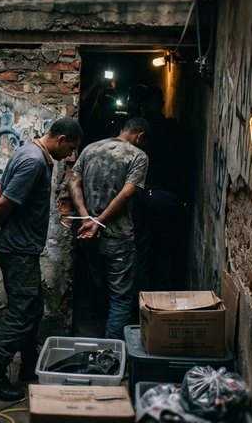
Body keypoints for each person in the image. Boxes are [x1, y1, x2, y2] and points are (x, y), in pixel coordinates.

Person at [0, 117, 83, 401]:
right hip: (18, 249)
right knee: (22, 313)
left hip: (21, 247)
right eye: (70, 149)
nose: (69, 156)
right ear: (60, 139)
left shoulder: (28, 152)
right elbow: (5, 200)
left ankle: (28, 364)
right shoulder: (34, 161)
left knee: (32, 309)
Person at [69, 117, 150, 340]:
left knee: (100, 287)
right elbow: (127, 193)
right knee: (121, 297)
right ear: (140, 136)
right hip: (118, 237)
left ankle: (100, 337)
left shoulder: (90, 148)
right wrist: (99, 221)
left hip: (87, 235)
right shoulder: (138, 156)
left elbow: (73, 181)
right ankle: (111, 353)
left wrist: (86, 218)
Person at [134, 86, 189, 291]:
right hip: (168, 195)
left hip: (143, 194)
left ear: (143, 105)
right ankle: (161, 303)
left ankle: (142, 303)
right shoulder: (173, 129)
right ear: (162, 103)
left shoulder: (139, 130)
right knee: (163, 251)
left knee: (141, 252)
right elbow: (185, 163)